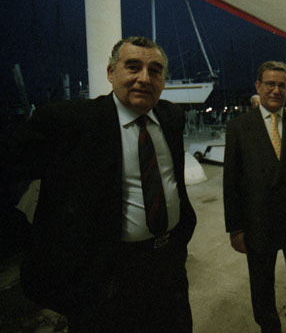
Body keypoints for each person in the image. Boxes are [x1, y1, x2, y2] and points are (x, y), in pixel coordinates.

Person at [1, 36, 197, 332]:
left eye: (155, 70)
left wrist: (179, 242)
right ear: (110, 72)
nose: (145, 78)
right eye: (133, 67)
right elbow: (11, 165)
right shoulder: (71, 122)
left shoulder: (171, 117)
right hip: (105, 275)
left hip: (168, 265)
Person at [223, 61, 286, 333]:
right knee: (262, 288)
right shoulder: (238, 127)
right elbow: (231, 182)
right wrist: (235, 228)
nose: (276, 90)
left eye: (282, 85)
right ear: (258, 86)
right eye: (270, 84)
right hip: (258, 225)